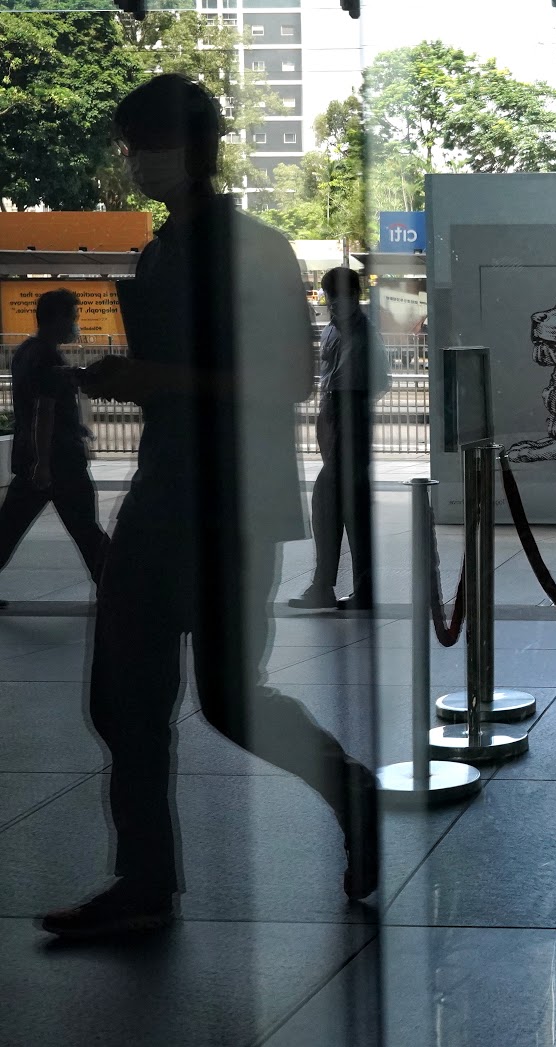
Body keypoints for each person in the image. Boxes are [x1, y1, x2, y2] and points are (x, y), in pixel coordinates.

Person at [41, 75, 378, 940]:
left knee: (222, 698)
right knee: (130, 697)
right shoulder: (165, 249)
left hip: (226, 503)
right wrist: (142, 380)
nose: (134, 161)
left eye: (143, 144)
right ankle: (144, 877)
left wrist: (151, 377)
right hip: (171, 495)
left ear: (190, 148)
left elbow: (289, 377)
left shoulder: (252, 249)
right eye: (130, 146)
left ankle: (347, 794)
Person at [0, 289, 109, 605]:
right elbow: (44, 410)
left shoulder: (25, 352)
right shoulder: (48, 357)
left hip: (30, 460)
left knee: (7, 530)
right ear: (56, 318)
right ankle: (117, 592)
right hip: (59, 463)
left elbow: (37, 403)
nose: (76, 324)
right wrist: (44, 464)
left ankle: (115, 590)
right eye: (72, 317)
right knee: (87, 532)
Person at [288, 267, 387, 611]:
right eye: (331, 298)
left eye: (341, 297)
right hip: (334, 414)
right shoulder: (332, 330)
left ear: (356, 296)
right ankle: (353, 586)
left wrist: (352, 405)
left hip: (351, 414)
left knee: (329, 499)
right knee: (345, 504)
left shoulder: (365, 333)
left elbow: (381, 379)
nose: (335, 304)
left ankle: (328, 585)